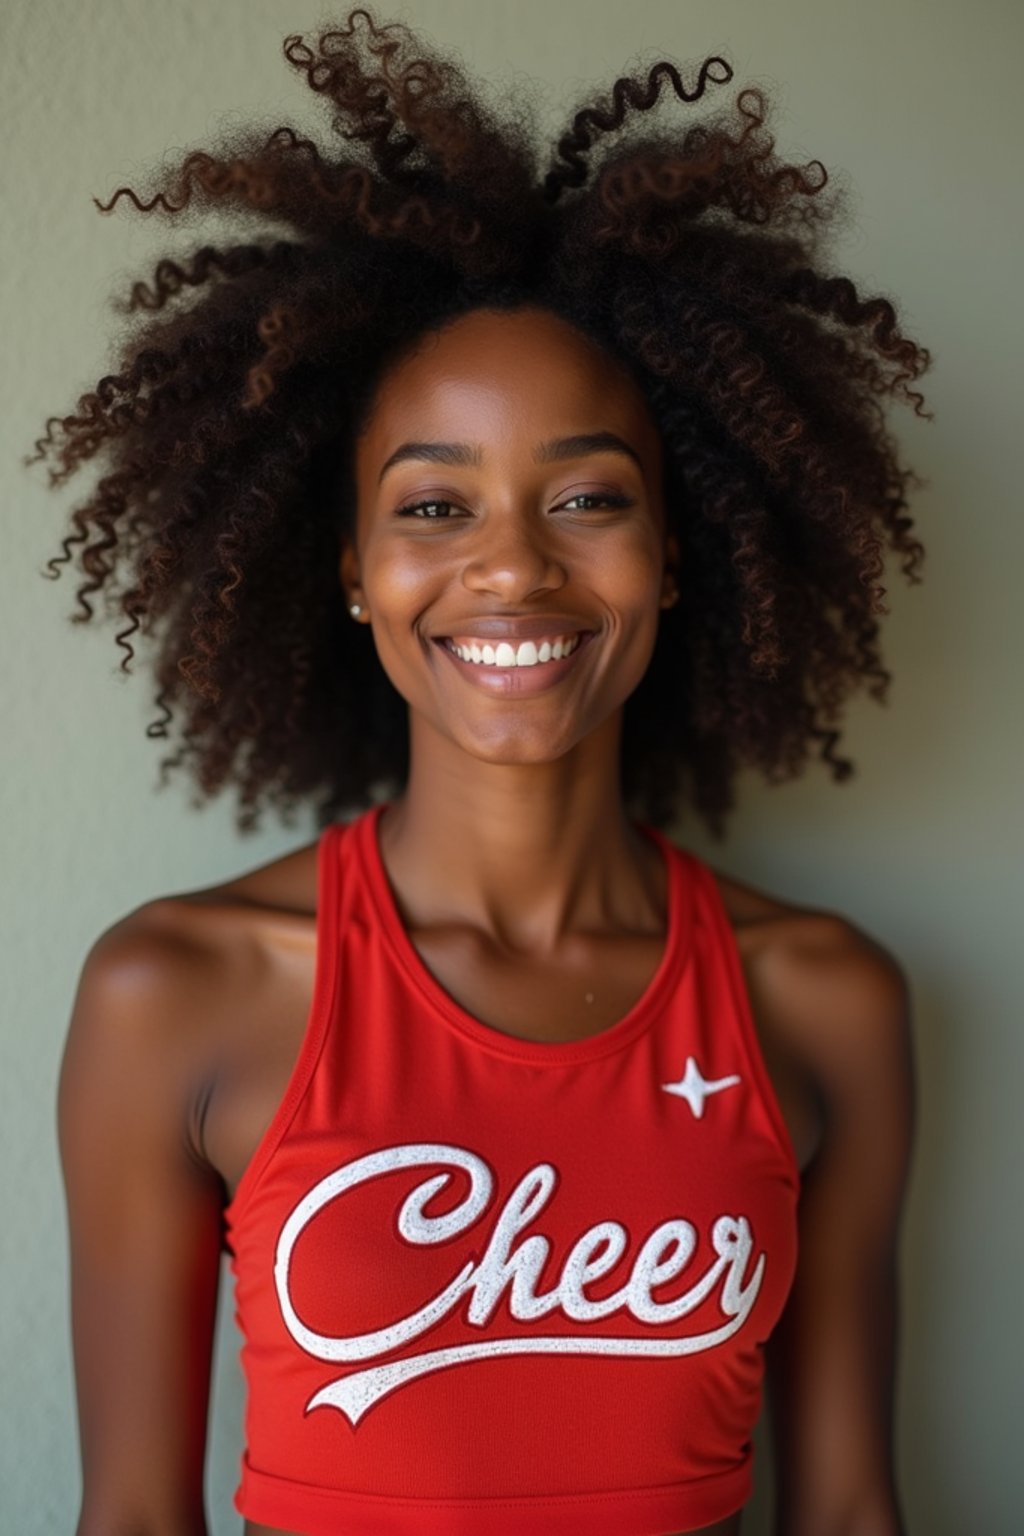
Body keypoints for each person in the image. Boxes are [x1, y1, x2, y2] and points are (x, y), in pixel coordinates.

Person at [38, 7, 928, 1534]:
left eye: (588, 497)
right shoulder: (176, 992)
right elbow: (131, 1521)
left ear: (675, 557)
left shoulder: (825, 997)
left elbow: (847, 1512)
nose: (512, 570)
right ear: (351, 576)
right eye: (435, 509)